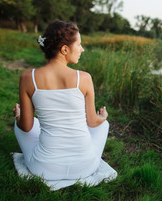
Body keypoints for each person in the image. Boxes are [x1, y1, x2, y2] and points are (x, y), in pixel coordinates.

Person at [12, 20, 114, 183]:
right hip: (85, 167)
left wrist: (18, 116)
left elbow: (27, 127)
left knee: (21, 125)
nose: (82, 49)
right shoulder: (84, 78)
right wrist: (103, 117)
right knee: (104, 125)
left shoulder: (27, 78)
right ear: (65, 49)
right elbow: (92, 122)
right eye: (79, 44)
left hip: (44, 169)